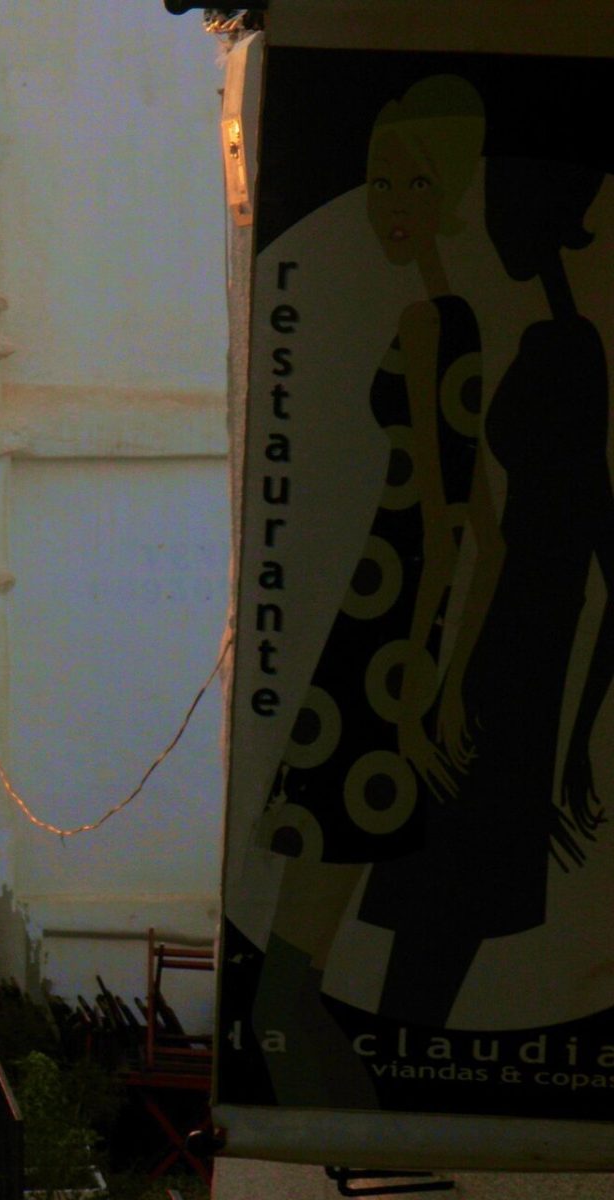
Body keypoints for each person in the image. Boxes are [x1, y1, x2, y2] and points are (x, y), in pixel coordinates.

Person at [249, 75, 487, 1107]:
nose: (390, 202)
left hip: (389, 624)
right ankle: (328, 1086)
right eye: (379, 179)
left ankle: (331, 1097)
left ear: (455, 193)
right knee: (318, 901)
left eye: (414, 183)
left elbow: (455, 519)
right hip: (389, 615)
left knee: (293, 964)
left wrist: (431, 674)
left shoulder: (441, 323)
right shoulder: (445, 314)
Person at [365, 155, 614, 1027]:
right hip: (520, 650)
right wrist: (573, 739)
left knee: (440, 901)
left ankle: (399, 1079)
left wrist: (573, 740)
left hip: (505, 650)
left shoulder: (566, 350)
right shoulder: (545, 334)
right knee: (441, 907)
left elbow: (547, 546)